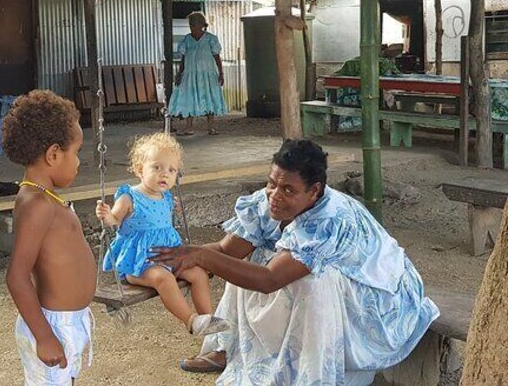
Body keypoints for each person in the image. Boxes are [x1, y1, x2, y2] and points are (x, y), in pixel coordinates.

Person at [151, 139, 439, 385]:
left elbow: (269, 280)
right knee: (255, 256)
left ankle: (311, 373)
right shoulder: (270, 201)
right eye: (272, 183)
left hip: (378, 296)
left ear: (314, 191)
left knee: (314, 282)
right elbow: (229, 251)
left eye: (288, 190)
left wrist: (201, 255)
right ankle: (230, 347)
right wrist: (173, 258)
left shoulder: (329, 220)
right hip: (338, 280)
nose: (275, 196)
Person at [2, 90, 97, 385]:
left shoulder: (45, 197)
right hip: (52, 324)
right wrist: (44, 337)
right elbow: (16, 277)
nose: (79, 162)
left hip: (68, 320)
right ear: (53, 154)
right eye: (76, 152)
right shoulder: (37, 205)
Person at [96, 133, 227, 336]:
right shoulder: (129, 197)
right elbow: (114, 221)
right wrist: (106, 216)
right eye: (157, 167)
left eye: (171, 170)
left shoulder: (166, 197)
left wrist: (177, 211)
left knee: (199, 274)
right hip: (140, 264)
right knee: (165, 278)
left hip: (169, 256)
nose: (164, 174)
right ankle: (190, 320)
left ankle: (207, 319)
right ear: (140, 169)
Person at [168, 11, 227, 136]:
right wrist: (180, 73)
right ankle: (189, 127)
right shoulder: (187, 40)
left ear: (201, 25)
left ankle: (211, 127)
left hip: (207, 75)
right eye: (190, 25)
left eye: (194, 24)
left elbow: (217, 57)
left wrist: (221, 73)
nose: (192, 27)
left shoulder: (211, 39)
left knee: (209, 98)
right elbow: (184, 58)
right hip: (190, 75)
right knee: (189, 98)